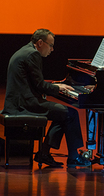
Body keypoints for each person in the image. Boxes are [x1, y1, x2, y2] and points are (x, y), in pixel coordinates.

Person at [2, 29, 91, 167]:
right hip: (25, 104)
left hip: (19, 102)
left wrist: (55, 86)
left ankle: (44, 153)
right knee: (70, 113)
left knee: (62, 113)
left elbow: (36, 83)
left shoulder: (25, 50)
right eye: (50, 45)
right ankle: (73, 158)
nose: (52, 49)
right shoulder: (33, 54)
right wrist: (57, 87)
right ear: (40, 43)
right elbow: (40, 85)